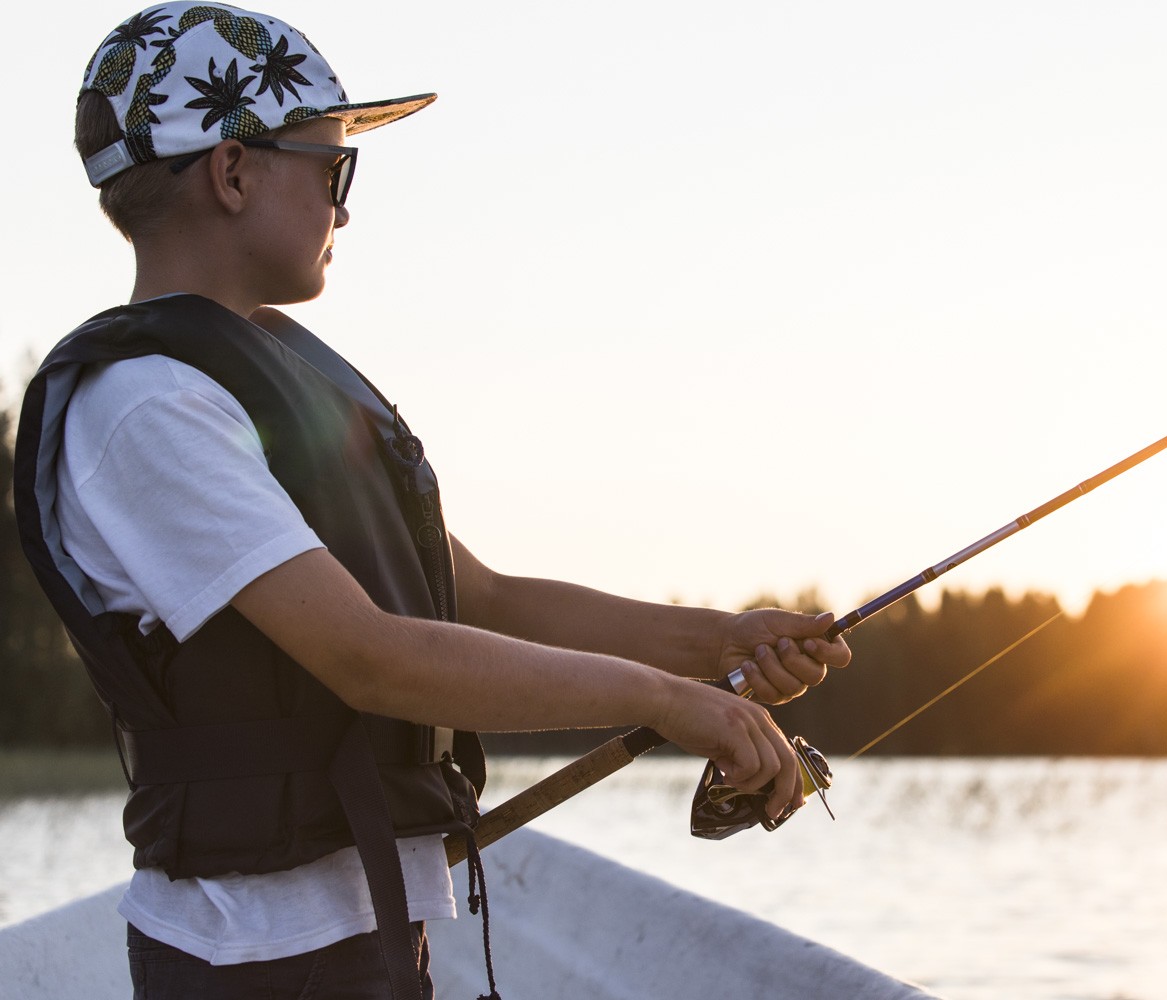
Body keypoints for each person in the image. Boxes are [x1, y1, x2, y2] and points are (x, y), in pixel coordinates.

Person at [12, 4, 851, 998]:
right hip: (249, 958)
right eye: (331, 171)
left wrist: (717, 641)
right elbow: (369, 656)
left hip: (360, 930)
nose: (346, 207)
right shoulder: (145, 405)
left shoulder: (266, 378)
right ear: (233, 173)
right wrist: (668, 702)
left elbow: (478, 596)